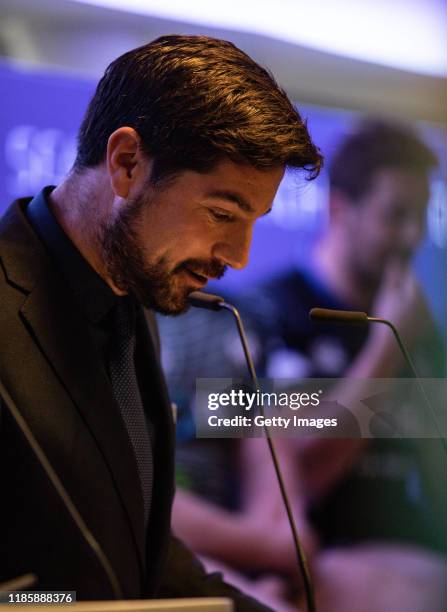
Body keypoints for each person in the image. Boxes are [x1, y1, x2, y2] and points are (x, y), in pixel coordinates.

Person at [0, 34, 322, 608]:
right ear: (126, 164)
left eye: (253, 221)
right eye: (222, 213)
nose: (239, 255)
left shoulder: (136, 294)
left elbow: (139, 550)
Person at [160, 120, 447, 610]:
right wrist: (387, 348)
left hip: (399, 549)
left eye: (421, 217)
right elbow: (293, 461)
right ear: (340, 209)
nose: (412, 237)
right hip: (329, 555)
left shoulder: (423, 330)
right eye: (396, 215)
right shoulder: (264, 315)